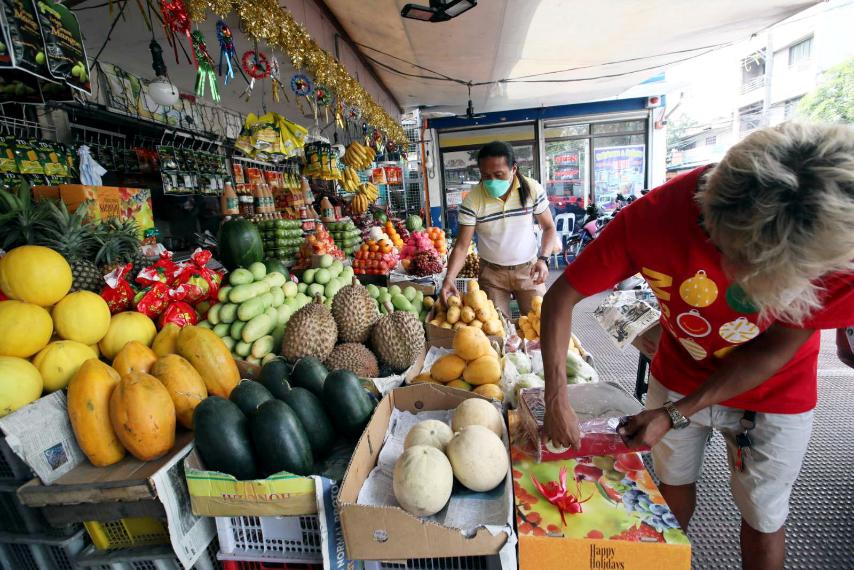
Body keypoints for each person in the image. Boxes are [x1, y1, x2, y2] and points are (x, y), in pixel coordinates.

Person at [540, 122, 854, 570]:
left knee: (764, 516)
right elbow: (561, 296)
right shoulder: (654, 219)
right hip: (678, 369)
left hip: (776, 392)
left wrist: (674, 413)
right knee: (670, 487)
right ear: (717, 232)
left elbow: (772, 351)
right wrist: (557, 399)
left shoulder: (833, 244)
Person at [441, 141, 556, 316]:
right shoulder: (472, 200)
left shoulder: (532, 189)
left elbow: (549, 227)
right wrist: (449, 278)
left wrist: (543, 259)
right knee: (495, 327)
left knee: (541, 322)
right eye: (486, 175)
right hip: (492, 276)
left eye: (499, 174)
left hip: (529, 271)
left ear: (513, 169)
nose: (492, 181)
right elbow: (462, 246)